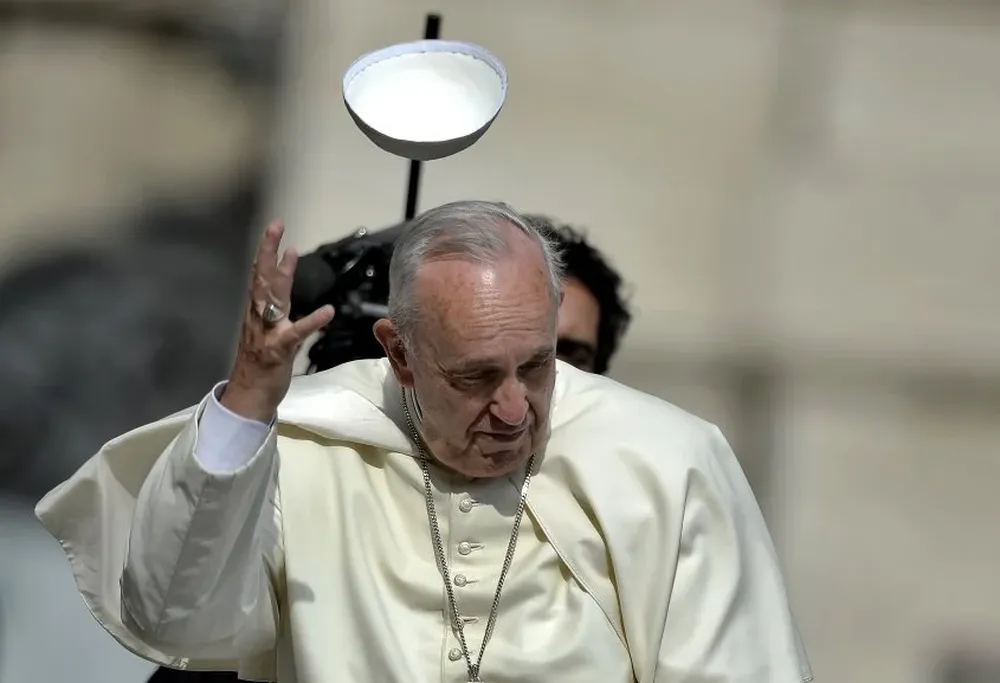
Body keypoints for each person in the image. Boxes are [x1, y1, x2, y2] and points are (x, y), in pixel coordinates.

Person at [36, 200, 813, 683]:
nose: (513, 409)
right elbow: (174, 618)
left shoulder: (666, 461)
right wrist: (247, 400)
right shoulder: (305, 444)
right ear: (399, 353)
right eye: (476, 376)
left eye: (537, 365)